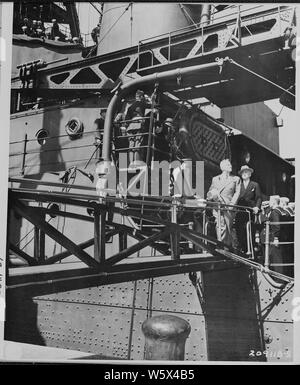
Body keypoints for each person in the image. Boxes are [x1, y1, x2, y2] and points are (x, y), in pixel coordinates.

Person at [207, 159, 241, 246]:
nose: (231, 166)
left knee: (228, 228)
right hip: (218, 206)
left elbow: (237, 193)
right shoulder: (215, 179)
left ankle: (228, 246)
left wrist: (232, 204)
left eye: (230, 165)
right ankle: (222, 246)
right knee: (221, 226)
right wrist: (212, 195)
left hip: (229, 206)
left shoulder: (236, 179)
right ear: (223, 167)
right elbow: (210, 192)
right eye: (228, 165)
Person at [235, 165, 262, 253]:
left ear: (250, 174)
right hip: (240, 211)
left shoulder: (255, 185)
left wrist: (257, 207)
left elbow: (259, 198)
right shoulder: (239, 185)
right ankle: (243, 249)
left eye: (246, 172)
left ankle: (250, 248)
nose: (244, 174)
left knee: (250, 230)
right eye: (243, 172)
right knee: (239, 230)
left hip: (250, 211)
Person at [125, 90, 149, 164]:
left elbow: (126, 119)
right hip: (139, 125)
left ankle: (131, 162)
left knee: (131, 146)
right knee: (138, 144)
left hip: (130, 127)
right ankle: (137, 162)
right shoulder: (142, 103)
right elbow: (153, 106)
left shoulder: (130, 107)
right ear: (141, 97)